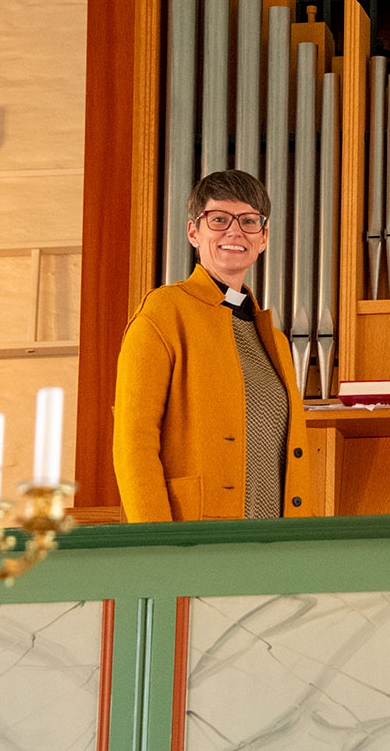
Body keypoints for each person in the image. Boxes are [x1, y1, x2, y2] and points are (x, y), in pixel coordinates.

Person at [113, 170, 315, 522]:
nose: (235, 231)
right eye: (219, 219)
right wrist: (156, 544)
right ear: (194, 231)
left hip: (276, 547)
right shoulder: (164, 312)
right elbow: (134, 442)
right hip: (195, 543)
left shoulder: (278, 342)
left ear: (263, 237)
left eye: (249, 221)